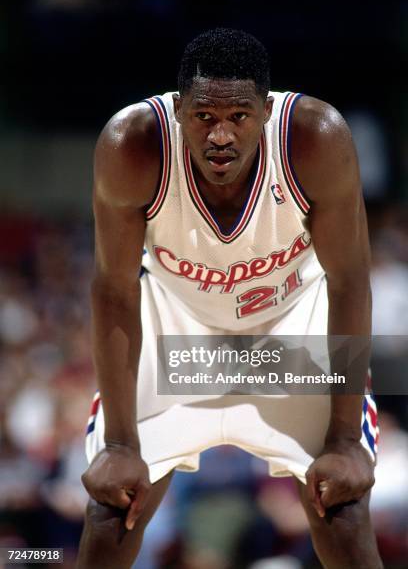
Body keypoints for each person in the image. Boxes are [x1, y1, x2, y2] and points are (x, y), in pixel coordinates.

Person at [76, 28, 383, 568]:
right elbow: (114, 290)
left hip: (291, 323)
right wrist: (121, 445)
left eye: (238, 117)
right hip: (179, 326)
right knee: (110, 512)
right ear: (177, 112)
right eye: (204, 118)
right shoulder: (131, 143)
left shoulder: (315, 136)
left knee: (343, 505)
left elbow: (350, 280)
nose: (221, 135)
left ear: (266, 111)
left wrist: (344, 440)